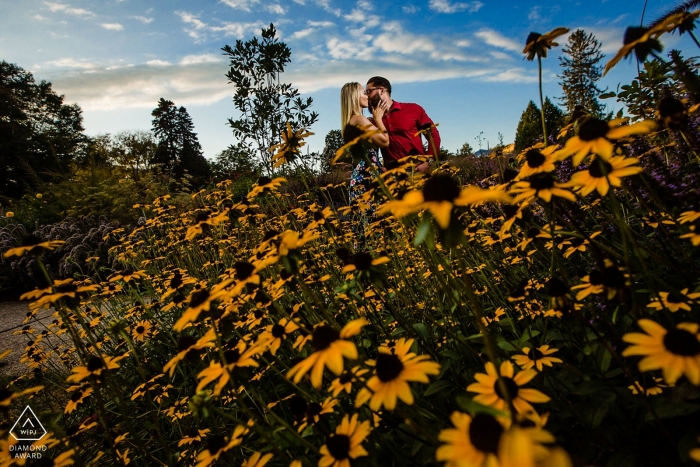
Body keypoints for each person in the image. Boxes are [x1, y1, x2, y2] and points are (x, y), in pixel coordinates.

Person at [340, 82, 389, 247]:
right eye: (364, 92)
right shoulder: (359, 119)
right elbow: (384, 141)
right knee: (371, 226)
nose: (367, 96)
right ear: (355, 97)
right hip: (366, 177)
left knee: (363, 227)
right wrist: (378, 119)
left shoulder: (352, 121)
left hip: (360, 176)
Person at [365, 76, 441, 173]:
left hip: (418, 170)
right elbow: (371, 151)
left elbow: (433, 134)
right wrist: (379, 168)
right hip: (392, 174)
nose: (367, 96)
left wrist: (428, 162)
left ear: (382, 90)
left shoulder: (413, 109)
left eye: (369, 91)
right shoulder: (373, 121)